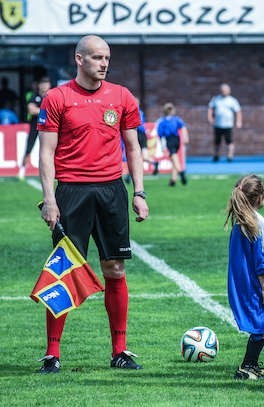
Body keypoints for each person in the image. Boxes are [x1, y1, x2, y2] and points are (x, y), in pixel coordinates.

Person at [38, 35, 149, 374]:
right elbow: (45, 152)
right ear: (79, 59)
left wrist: (139, 193)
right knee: (63, 271)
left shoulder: (122, 96)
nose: (104, 63)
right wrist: (49, 199)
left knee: (115, 269)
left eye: (107, 58)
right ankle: (52, 354)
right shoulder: (56, 98)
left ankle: (120, 350)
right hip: (71, 192)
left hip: (111, 192)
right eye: (98, 57)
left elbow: (132, 147)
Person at [224, 174, 264, 380]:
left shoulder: (242, 222)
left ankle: (252, 364)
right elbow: (262, 258)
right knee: (262, 325)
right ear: (259, 198)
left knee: (261, 324)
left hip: (244, 283)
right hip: (257, 284)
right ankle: (248, 365)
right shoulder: (257, 223)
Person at [19, 77, 51, 180]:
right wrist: (46, 111)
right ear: (39, 85)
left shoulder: (52, 96)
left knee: (50, 149)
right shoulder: (35, 96)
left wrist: (40, 110)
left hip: (48, 127)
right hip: (35, 126)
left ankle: (52, 172)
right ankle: (22, 170)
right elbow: (31, 110)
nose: (44, 86)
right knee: (29, 147)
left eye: (46, 84)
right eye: (42, 84)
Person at [156, 102, 189, 186]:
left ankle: (181, 172)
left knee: (174, 157)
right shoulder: (176, 119)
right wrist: (185, 137)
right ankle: (173, 180)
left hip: (169, 140)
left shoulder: (162, 121)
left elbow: (160, 134)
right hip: (177, 139)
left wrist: (162, 145)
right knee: (175, 158)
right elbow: (183, 127)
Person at [208, 83, 242, 162]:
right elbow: (210, 108)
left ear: (229, 91)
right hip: (218, 124)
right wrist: (210, 117)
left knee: (229, 141)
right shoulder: (216, 99)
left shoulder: (232, 100)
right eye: (223, 90)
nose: (224, 92)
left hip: (228, 125)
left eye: (226, 90)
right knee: (217, 142)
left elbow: (238, 111)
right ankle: (216, 156)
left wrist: (239, 121)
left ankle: (230, 156)